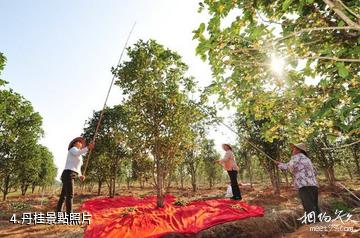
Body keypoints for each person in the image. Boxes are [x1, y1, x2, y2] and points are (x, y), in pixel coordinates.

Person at [275, 143, 320, 221]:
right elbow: (315, 172)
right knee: (314, 205)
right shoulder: (307, 159)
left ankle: (313, 225)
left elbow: (289, 166)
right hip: (313, 185)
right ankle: (320, 224)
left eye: (294, 148)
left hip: (304, 186)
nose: (292, 150)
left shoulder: (296, 157)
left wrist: (279, 164)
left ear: (299, 150)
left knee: (308, 206)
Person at [56, 137, 94, 214]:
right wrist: (88, 148)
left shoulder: (79, 155)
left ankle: (58, 214)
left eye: (81, 143)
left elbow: (78, 168)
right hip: (68, 174)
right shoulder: (72, 149)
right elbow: (77, 153)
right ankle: (69, 216)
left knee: (64, 196)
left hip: (71, 174)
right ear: (74, 143)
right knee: (70, 195)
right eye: (78, 142)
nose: (80, 143)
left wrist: (80, 175)